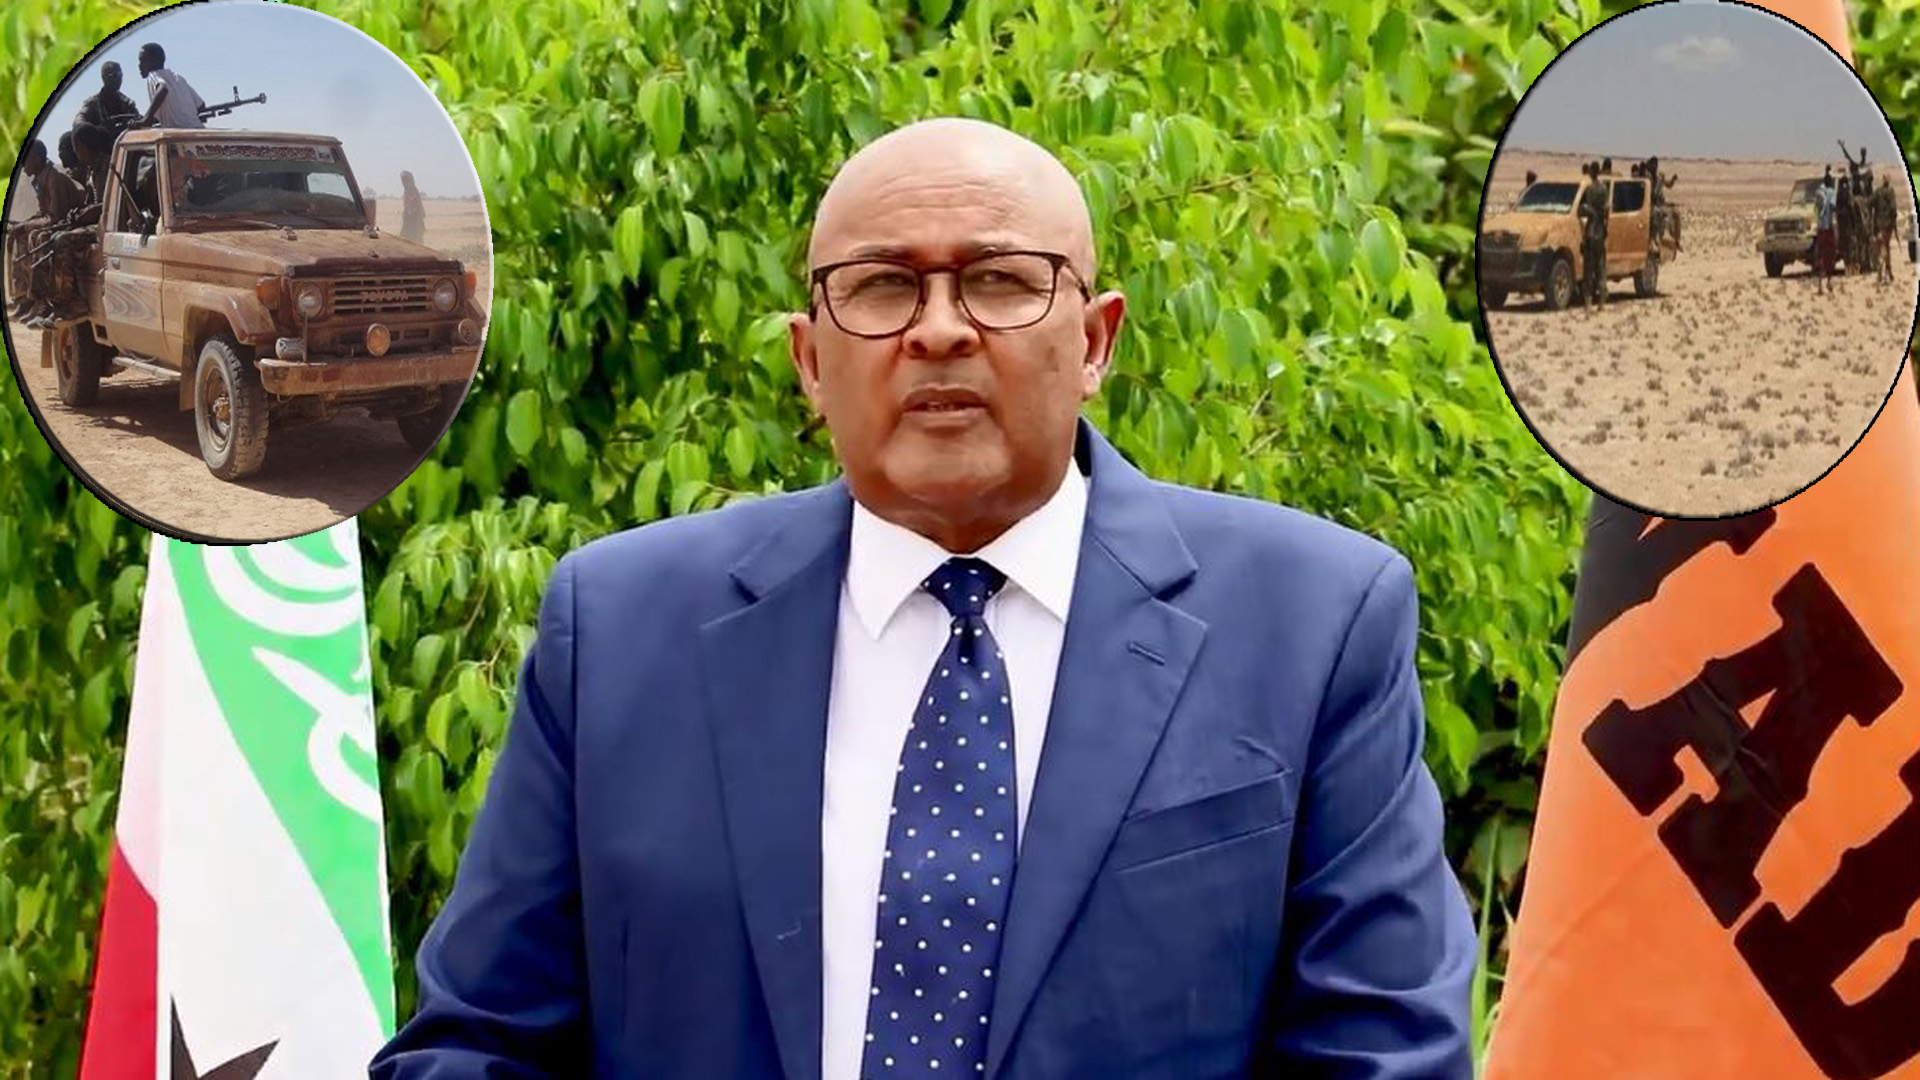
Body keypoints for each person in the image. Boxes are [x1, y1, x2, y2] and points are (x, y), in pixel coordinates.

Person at [371, 117, 1478, 1078]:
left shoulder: (1312, 623)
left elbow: (1382, 1056)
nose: (939, 328)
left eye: (999, 280)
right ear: (811, 362)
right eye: (882, 286)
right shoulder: (619, 630)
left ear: (1096, 340)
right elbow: (480, 1043)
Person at [17, 139, 86, 327]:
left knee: (41, 237)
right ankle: (29, 297)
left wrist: (27, 226)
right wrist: (26, 224)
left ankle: (47, 301)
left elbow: (56, 217)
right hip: (63, 221)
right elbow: (44, 213)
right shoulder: (41, 178)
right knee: (24, 234)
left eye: (26, 159)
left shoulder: (54, 177)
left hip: (71, 223)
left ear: (38, 158)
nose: (23, 165)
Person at [136, 43, 205, 129]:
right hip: (198, 129)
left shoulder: (153, 75)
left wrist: (146, 119)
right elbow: (201, 106)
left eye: (143, 61)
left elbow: (163, 89)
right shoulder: (177, 78)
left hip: (177, 133)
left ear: (154, 61)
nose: (139, 65)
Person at [76, 60, 141, 136]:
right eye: (114, 76)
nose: (118, 79)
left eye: (120, 75)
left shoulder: (127, 103)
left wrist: (135, 122)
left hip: (123, 140)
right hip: (100, 141)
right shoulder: (93, 103)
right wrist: (92, 130)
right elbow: (79, 120)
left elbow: (138, 118)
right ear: (104, 78)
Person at [1578, 161, 1609, 311]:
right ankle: (1602, 301)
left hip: (1591, 231)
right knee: (1601, 267)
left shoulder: (1589, 189)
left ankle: (1588, 302)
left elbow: (1586, 208)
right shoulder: (1604, 188)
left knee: (1589, 269)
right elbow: (1606, 209)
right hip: (1600, 232)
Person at [1815, 171, 1837, 294]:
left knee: (1821, 255)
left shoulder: (1819, 192)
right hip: (1828, 228)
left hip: (1820, 228)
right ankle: (1829, 281)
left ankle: (1819, 283)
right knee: (1830, 255)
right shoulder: (1831, 192)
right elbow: (1833, 206)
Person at [399, 170, 426, 244]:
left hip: (414, 216)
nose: (402, 182)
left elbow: (415, 202)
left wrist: (411, 211)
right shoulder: (407, 189)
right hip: (409, 215)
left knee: (415, 235)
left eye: (404, 180)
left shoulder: (412, 189)